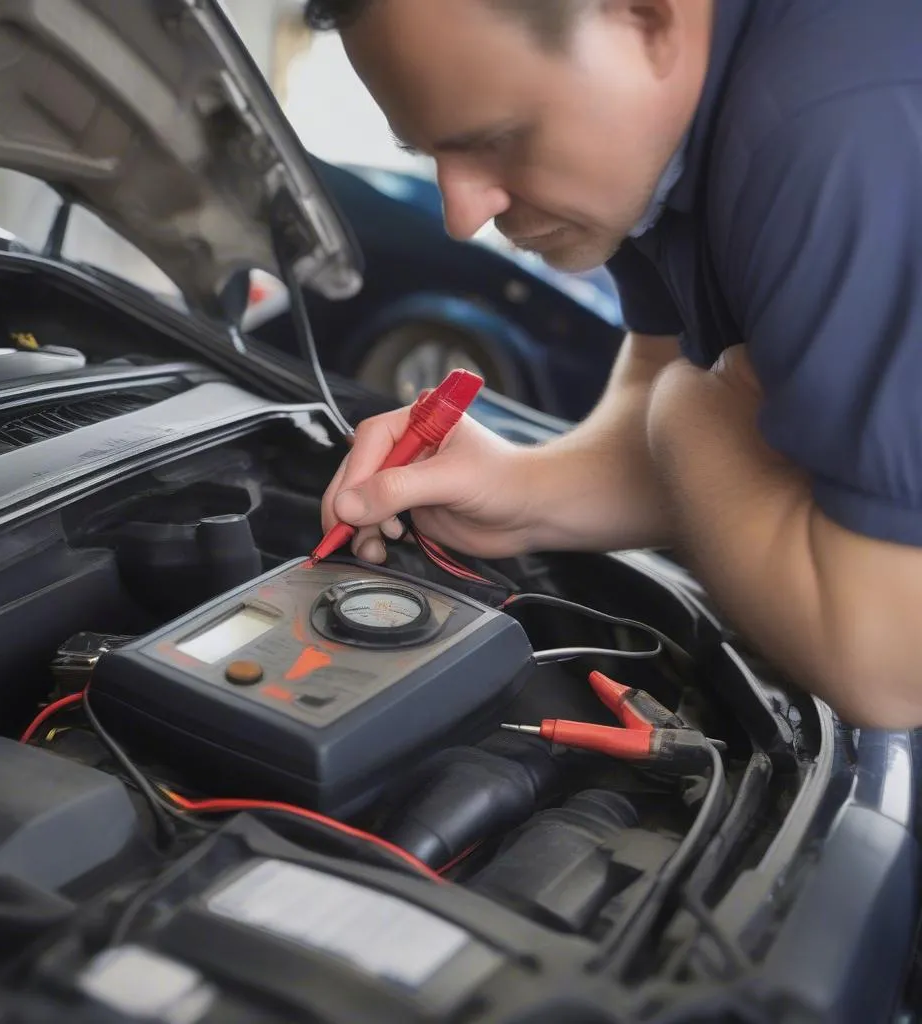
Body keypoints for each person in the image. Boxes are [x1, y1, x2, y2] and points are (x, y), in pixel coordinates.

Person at [309, 0, 922, 728]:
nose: (463, 215)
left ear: (648, 17)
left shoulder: (844, 131)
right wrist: (525, 489)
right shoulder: (648, 145)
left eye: (499, 140)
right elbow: (671, 384)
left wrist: (683, 412)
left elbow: (889, 660)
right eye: (432, 155)